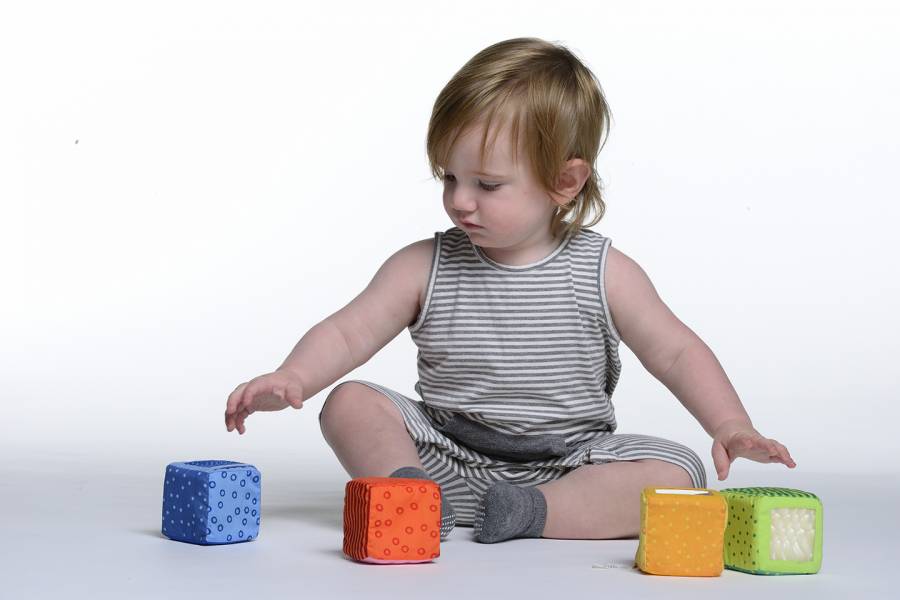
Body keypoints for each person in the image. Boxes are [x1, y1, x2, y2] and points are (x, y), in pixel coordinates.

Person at [223, 37, 796, 544]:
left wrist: (729, 424)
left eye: (487, 184)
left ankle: (531, 512)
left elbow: (676, 351)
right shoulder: (425, 264)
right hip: (444, 453)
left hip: (570, 465)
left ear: (564, 183)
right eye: (448, 177)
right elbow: (349, 330)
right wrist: (293, 377)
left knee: (679, 471)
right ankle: (412, 498)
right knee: (348, 403)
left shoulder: (604, 271)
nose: (459, 200)